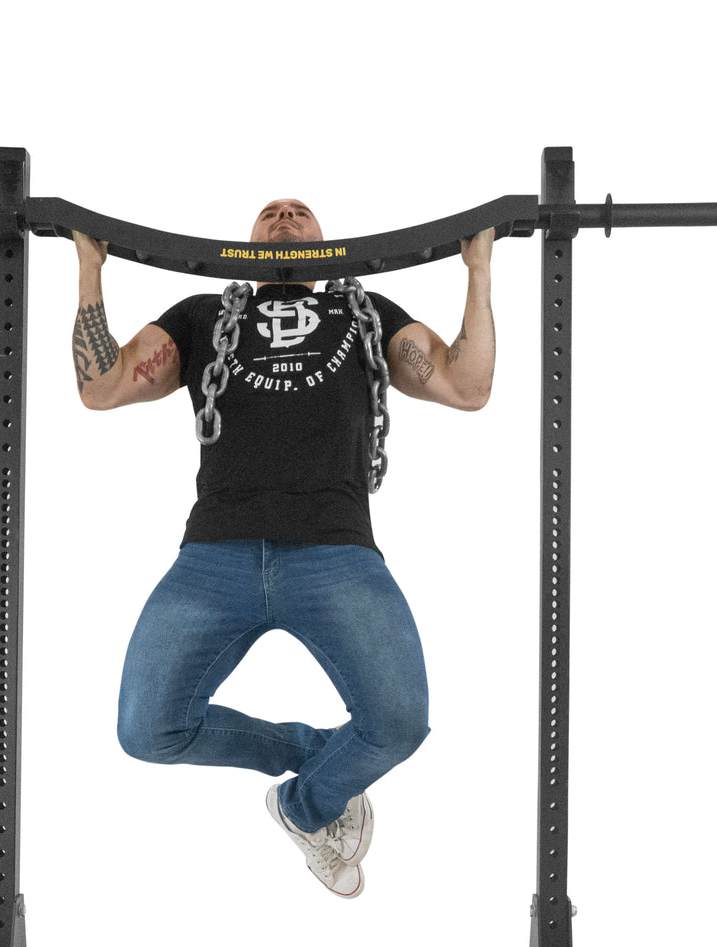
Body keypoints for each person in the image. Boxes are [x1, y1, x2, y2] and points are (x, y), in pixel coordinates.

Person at [71, 200, 495, 898]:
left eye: (300, 212)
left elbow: (467, 385)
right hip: (215, 557)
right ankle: (311, 757)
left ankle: (304, 806)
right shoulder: (205, 315)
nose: (285, 217)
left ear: (325, 242)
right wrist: (91, 270)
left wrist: (477, 272)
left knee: (399, 723)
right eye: (271, 212)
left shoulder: (363, 314)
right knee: (146, 730)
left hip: (335, 552)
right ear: (249, 240)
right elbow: (102, 387)